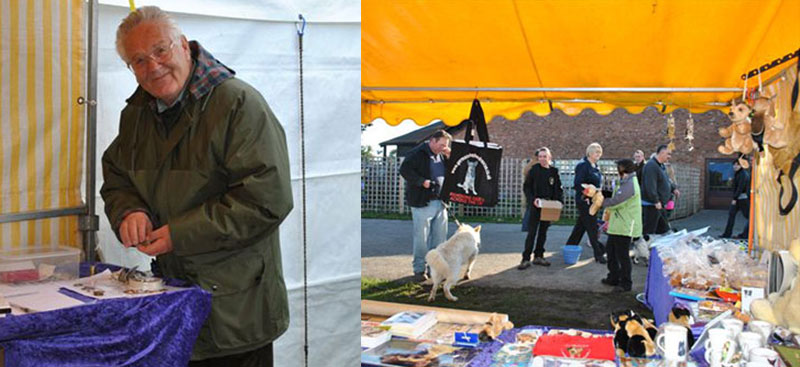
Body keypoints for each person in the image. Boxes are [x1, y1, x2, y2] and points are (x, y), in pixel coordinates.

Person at [100, 7, 292, 366]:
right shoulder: (138, 114)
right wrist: (130, 209)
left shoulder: (237, 103)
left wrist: (180, 234)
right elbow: (116, 173)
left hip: (237, 309)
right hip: (174, 301)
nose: (153, 66)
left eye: (161, 50)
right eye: (138, 60)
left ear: (184, 46)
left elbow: (267, 200)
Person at [399, 130, 452, 282]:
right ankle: (419, 269)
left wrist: (449, 157)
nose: (443, 148)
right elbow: (404, 170)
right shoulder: (417, 153)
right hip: (422, 201)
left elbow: (452, 172)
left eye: (445, 146)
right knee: (421, 238)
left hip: (441, 201)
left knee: (440, 239)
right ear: (432, 141)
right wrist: (422, 181)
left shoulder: (442, 154)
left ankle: (435, 270)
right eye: (441, 145)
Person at [599, 159, 642, 292]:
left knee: (622, 256)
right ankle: (613, 277)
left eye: (618, 167)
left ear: (624, 169)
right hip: (618, 224)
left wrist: (600, 202)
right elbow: (615, 194)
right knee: (611, 252)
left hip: (625, 226)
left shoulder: (630, 184)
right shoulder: (625, 181)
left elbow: (617, 201)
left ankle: (626, 284)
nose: (616, 170)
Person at [518, 147, 563, 269]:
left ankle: (539, 256)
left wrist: (559, 202)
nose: (542, 159)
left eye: (545, 156)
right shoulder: (534, 170)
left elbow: (558, 189)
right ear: (538, 158)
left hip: (548, 206)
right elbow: (526, 187)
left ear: (549, 157)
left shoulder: (554, 172)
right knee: (532, 233)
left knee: (543, 232)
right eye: (540, 156)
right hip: (536, 205)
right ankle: (525, 258)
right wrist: (533, 200)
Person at [565, 143, 606, 263]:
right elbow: (578, 183)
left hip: (594, 201)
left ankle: (570, 246)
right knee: (592, 227)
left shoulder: (596, 166)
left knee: (581, 226)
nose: (598, 154)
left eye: (599, 152)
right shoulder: (583, 166)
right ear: (589, 152)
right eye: (596, 152)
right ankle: (598, 254)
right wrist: (587, 193)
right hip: (585, 200)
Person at [641, 145, 673, 240]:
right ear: (662, 153)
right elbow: (650, 185)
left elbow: (666, 180)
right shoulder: (651, 166)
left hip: (660, 204)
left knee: (664, 229)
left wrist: (673, 188)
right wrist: (655, 200)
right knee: (649, 230)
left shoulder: (660, 166)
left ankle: (658, 250)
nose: (669, 157)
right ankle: (643, 250)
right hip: (653, 205)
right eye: (668, 154)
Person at [721, 157, 751, 239]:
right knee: (731, 215)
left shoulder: (743, 174)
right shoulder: (738, 174)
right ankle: (727, 234)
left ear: (741, 166)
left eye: (737, 165)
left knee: (750, 217)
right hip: (738, 198)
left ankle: (745, 234)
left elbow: (740, 188)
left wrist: (734, 199)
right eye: (734, 165)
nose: (735, 166)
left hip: (743, 199)